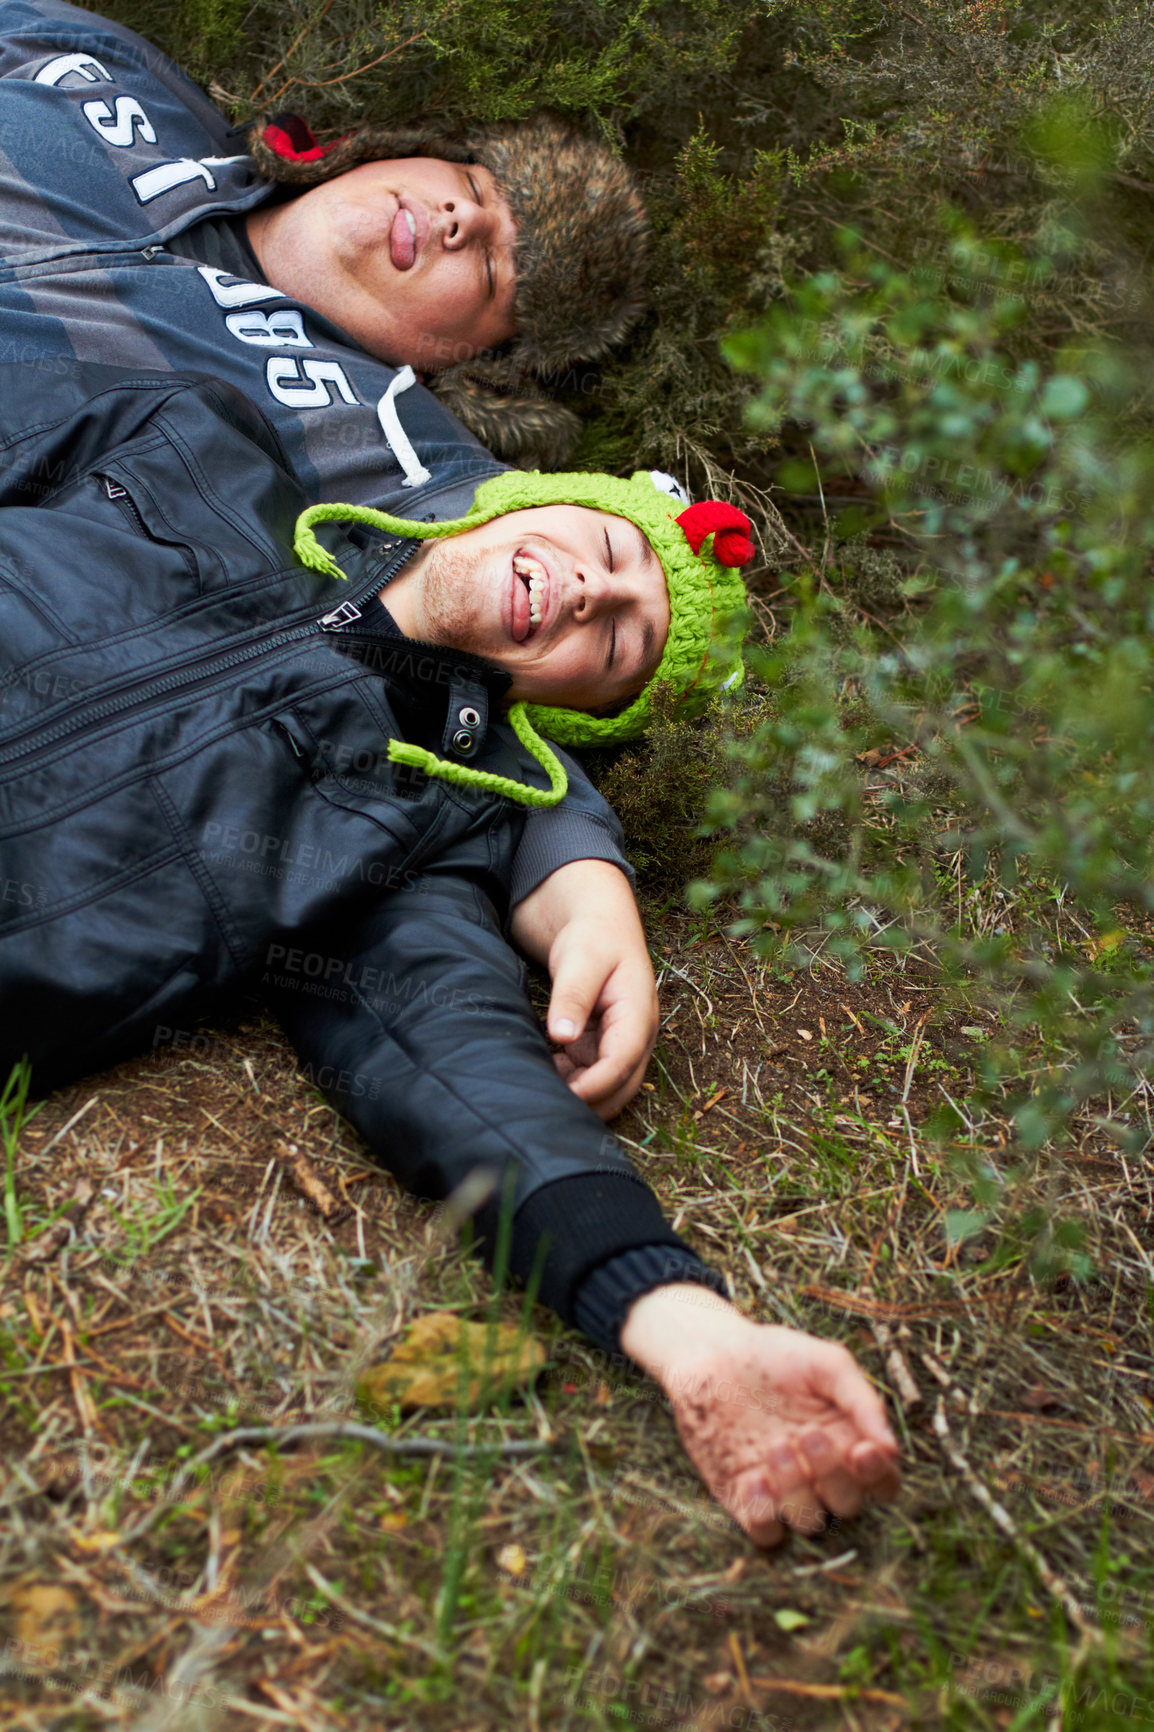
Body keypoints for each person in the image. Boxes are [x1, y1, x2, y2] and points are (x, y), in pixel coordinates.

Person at [0, 361, 901, 1544]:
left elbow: (451, 1057)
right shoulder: (189, 436)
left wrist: (686, 1325)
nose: (592, 593)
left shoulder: (409, 824)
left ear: (574, 716)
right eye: (607, 549)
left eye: (623, 641)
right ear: (520, 500)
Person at [0, 0, 659, 1130]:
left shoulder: (384, 445)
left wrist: (583, 882)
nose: (458, 218)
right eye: (480, 185)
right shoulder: (101, 70)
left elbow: (511, 631)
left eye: (498, 273)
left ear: (479, 365)